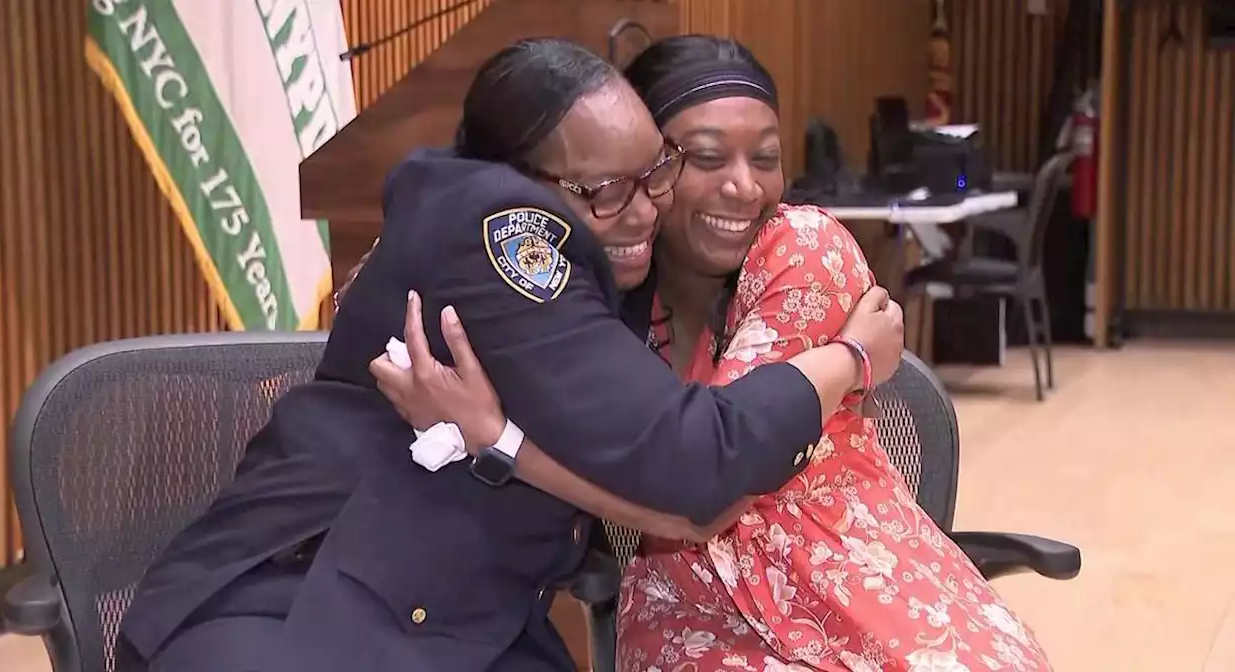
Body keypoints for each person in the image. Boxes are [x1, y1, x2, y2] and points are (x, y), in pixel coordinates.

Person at [115, 38, 904, 672]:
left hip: (463, 623)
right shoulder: (509, 230)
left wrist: (499, 442)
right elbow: (696, 460)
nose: (644, 209)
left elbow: (686, 510)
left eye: (653, 172)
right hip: (304, 612)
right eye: (605, 189)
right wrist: (849, 360)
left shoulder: (552, 241)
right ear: (524, 181)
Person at [372, 35, 1053, 672]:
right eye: (704, 158)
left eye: (764, 157)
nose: (745, 187)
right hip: (690, 622)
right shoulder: (597, 300)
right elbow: (368, 302)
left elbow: (716, 470)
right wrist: (494, 433)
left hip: (866, 606)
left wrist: (500, 438)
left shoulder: (802, 247)